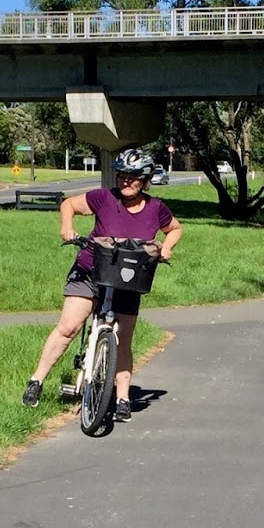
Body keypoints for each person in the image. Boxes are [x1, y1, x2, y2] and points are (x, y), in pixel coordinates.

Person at [22, 149, 182, 421]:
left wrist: (167, 247)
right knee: (69, 326)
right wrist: (66, 227)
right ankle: (36, 381)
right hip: (91, 270)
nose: (125, 183)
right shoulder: (104, 198)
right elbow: (69, 204)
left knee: (125, 338)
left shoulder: (156, 208)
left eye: (132, 178)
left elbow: (175, 228)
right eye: (121, 177)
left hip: (128, 279)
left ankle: (121, 399)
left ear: (144, 180)